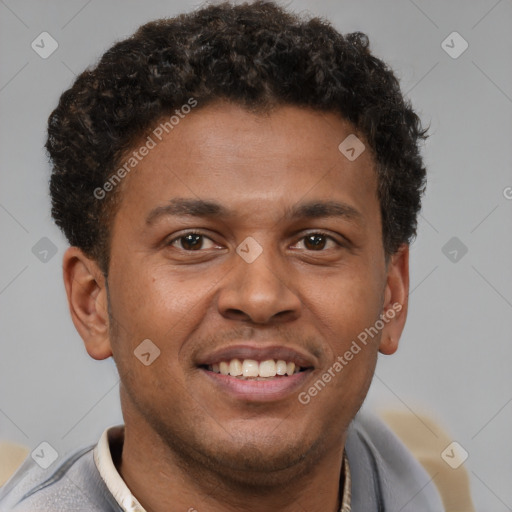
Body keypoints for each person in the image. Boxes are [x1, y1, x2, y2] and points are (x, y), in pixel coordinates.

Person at [0, 1, 445, 510]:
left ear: (392, 297)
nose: (260, 297)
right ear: (93, 303)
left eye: (316, 241)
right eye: (192, 241)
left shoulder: (414, 475)